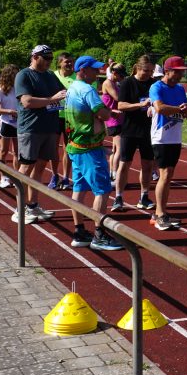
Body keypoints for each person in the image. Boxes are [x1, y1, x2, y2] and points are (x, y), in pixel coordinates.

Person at [64, 56, 123, 251]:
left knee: (79, 189)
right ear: (83, 70)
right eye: (94, 69)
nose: (98, 72)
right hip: (89, 147)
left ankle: (79, 231)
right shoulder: (87, 90)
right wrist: (108, 113)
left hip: (75, 145)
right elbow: (102, 113)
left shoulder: (72, 87)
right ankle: (99, 233)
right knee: (103, 189)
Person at [13, 44, 65, 224]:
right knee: (26, 168)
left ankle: (32, 205)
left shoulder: (50, 75)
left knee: (41, 167)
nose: (50, 61)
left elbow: (62, 93)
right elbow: (27, 101)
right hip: (31, 128)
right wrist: (52, 100)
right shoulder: (24, 75)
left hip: (49, 127)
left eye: (51, 58)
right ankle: (19, 209)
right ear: (35, 57)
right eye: (46, 58)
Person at [149, 56, 187, 230]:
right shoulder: (156, 87)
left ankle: (162, 212)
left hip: (175, 137)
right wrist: (179, 109)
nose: (181, 74)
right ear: (167, 71)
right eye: (178, 71)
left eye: (182, 71)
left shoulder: (180, 89)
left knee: (168, 176)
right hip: (161, 137)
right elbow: (159, 108)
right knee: (165, 174)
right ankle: (160, 214)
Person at [110, 55, 157, 212]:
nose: (148, 74)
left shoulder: (154, 84)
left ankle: (144, 196)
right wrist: (140, 104)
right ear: (137, 68)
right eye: (146, 70)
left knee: (147, 165)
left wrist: (154, 107)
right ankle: (118, 197)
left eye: (151, 71)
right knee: (125, 164)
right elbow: (121, 105)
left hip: (148, 130)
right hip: (130, 129)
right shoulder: (127, 83)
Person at [50, 52, 77, 190]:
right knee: (53, 149)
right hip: (54, 116)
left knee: (68, 148)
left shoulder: (76, 78)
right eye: (67, 61)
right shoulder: (52, 76)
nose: (70, 64)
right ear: (60, 63)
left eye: (72, 61)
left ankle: (66, 177)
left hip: (69, 117)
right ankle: (55, 176)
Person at [0, 64, 21, 188]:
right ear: (10, 75)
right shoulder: (1, 89)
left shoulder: (20, 88)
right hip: (6, 123)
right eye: (16, 73)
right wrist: (10, 112)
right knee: (4, 151)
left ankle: (16, 176)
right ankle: (3, 177)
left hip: (19, 123)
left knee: (17, 152)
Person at [101, 62, 126, 179]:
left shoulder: (115, 83)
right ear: (114, 73)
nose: (122, 78)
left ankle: (111, 173)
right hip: (113, 119)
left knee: (115, 149)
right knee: (120, 149)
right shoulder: (108, 83)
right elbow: (118, 98)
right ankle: (115, 175)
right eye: (121, 76)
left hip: (118, 118)